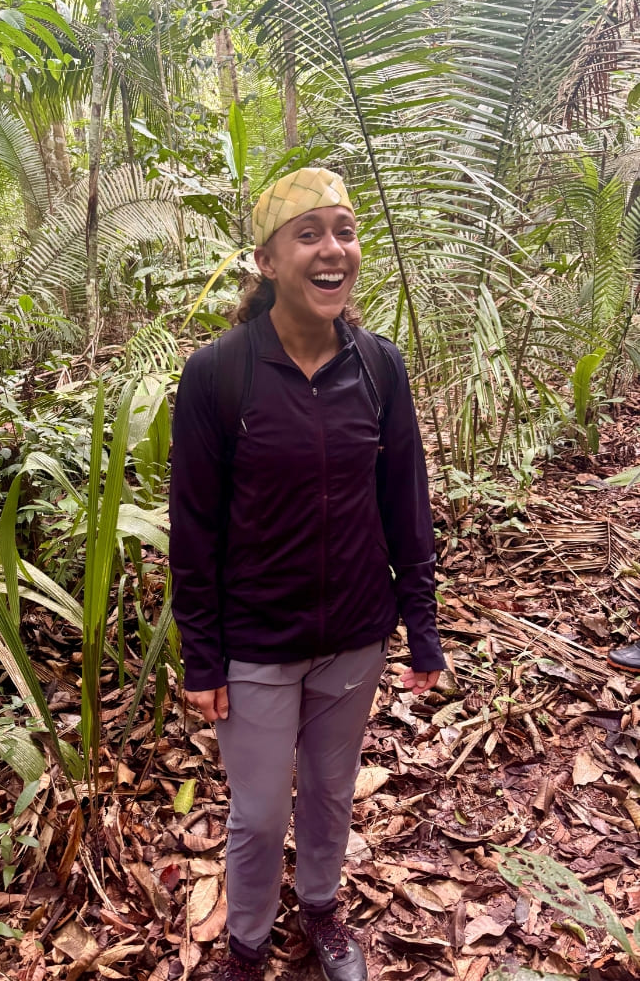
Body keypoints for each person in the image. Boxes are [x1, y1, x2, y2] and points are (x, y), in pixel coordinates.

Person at [169, 168, 446, 981]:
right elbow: (194, 528)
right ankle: (246, 947)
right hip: (257, 641)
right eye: (310, 233)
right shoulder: (220, 373)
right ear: (267, 260)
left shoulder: (380, 368)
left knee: (329, 796)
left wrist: (421, 629)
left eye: (345, 231)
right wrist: (203, 655)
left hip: (354, 635)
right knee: (256, 817)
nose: (335, 250)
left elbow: (406, 502)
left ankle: (321, 910)